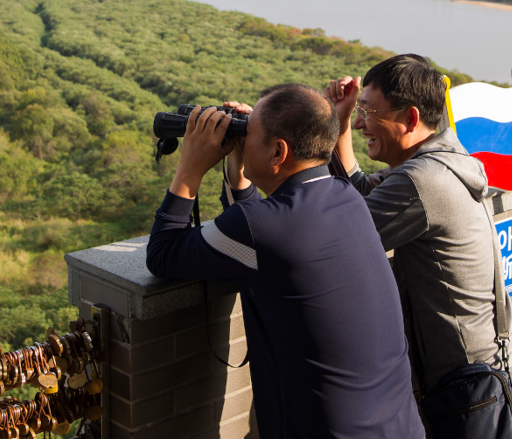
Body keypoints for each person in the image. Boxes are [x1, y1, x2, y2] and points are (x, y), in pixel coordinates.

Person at [146, 84, 424, 439]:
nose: (243, 139)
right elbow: (253, 226)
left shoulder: (263, 228)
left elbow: (162, 253)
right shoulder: (346, 197)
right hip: (398, 426)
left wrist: (190, 166)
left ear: (278, 151)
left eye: (249, 133)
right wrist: (239, 160)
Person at [324, 55, 512, 424]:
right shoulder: (442, 157)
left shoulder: (422, 181)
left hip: (473, 386)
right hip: (490, 369)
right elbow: (358, 195)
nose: (359, 123)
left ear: (410, 118)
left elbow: (339, 234)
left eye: (368, 111)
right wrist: (338, 121)